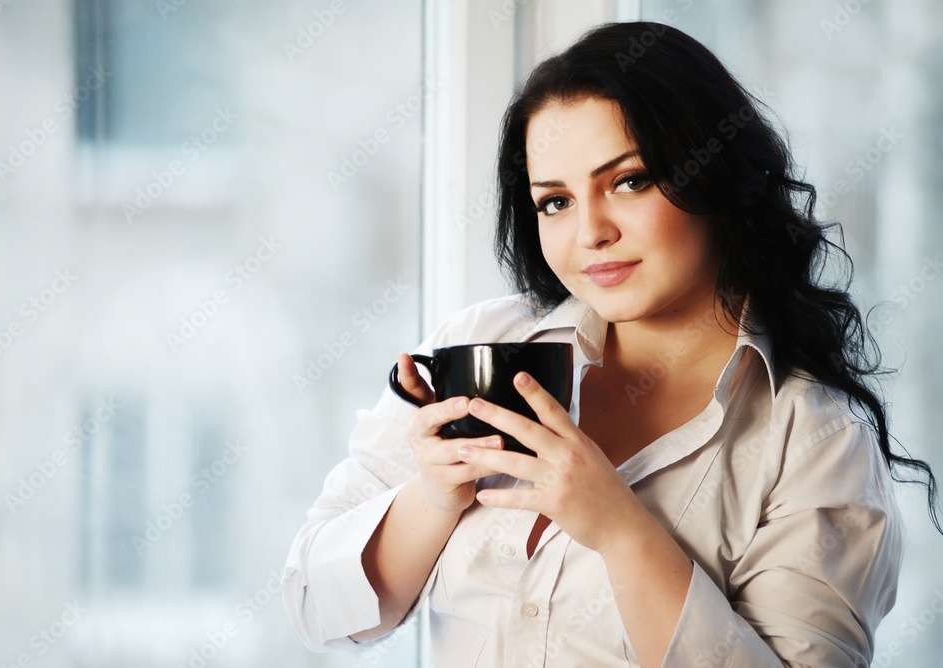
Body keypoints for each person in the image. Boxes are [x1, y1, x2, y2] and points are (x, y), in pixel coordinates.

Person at [282, 21, 939, 666]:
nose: (590, 232)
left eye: (629, 181)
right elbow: (315, 604)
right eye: (555, 202)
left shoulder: (817, 442)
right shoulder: (480, 345)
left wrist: (622, 531)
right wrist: (434, 496)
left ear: (715, 175)